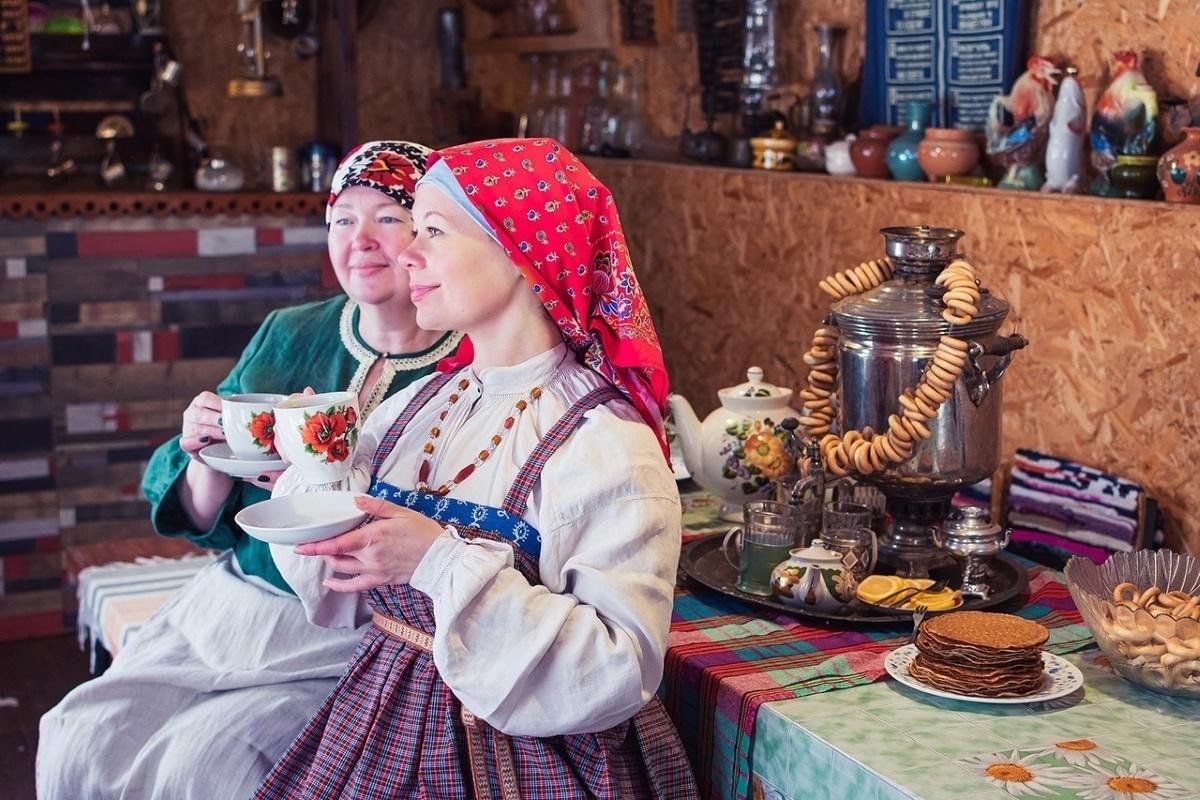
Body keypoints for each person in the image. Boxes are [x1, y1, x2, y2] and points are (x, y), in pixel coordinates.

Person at [255, 137, 699, 799]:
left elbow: (619, 668)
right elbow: (336, 593)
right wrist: (318, 470)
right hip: (382, 721)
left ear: (522, 252)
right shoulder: (415, 408)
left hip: (526, 763)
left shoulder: (604, 442)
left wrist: (437, 562)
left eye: (432, 230)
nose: (406, 252)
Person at [37, 141, 465, 800]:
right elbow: (202, 509)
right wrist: (206, 458)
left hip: (344, 640)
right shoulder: (291, 333)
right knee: (77, 736)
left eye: (389, 216)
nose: (362, 239)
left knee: (204, 768)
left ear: (432, 233)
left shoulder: (469, 359)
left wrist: (328, 478)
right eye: (343, 218)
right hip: (229, 608)